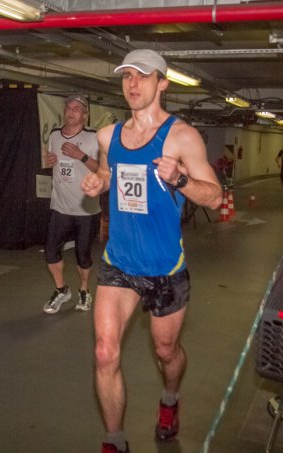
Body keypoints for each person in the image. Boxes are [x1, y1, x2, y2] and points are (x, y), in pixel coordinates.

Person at [81, 49, 222, 453]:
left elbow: (215, 197)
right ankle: (115, 440)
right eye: (127, 75)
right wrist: (99, 183)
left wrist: (180, 178)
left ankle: (170, 399)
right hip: (119, 263)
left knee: (166, 350)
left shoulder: (181, 136)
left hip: (165, 268)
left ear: (163, 83)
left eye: (143, 76)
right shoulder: (108, 135)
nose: (133, 83)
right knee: (104, 352)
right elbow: (108, 172)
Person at [42, 95, 100, 314]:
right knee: (50, 252)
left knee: (82, 255)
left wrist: (81, 156)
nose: (71, 111)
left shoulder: (93, 137)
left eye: (77, 108)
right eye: (69, 107)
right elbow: (51, 161)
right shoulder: (55, 135)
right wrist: (49, 162)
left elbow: (103, 170)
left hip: (86, 208)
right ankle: (61, 290)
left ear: (85, 115)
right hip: (60, 206)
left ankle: (84, 290)